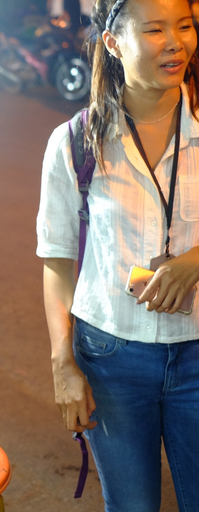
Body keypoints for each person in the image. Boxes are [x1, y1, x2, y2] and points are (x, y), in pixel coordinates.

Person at [37, 0, 199, 509]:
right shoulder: (74, 144)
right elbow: (58, 260)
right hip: (110, 362)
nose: (176, 42)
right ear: (113, 43)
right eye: (155, 29)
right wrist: (63, 363)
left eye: (186, 25)